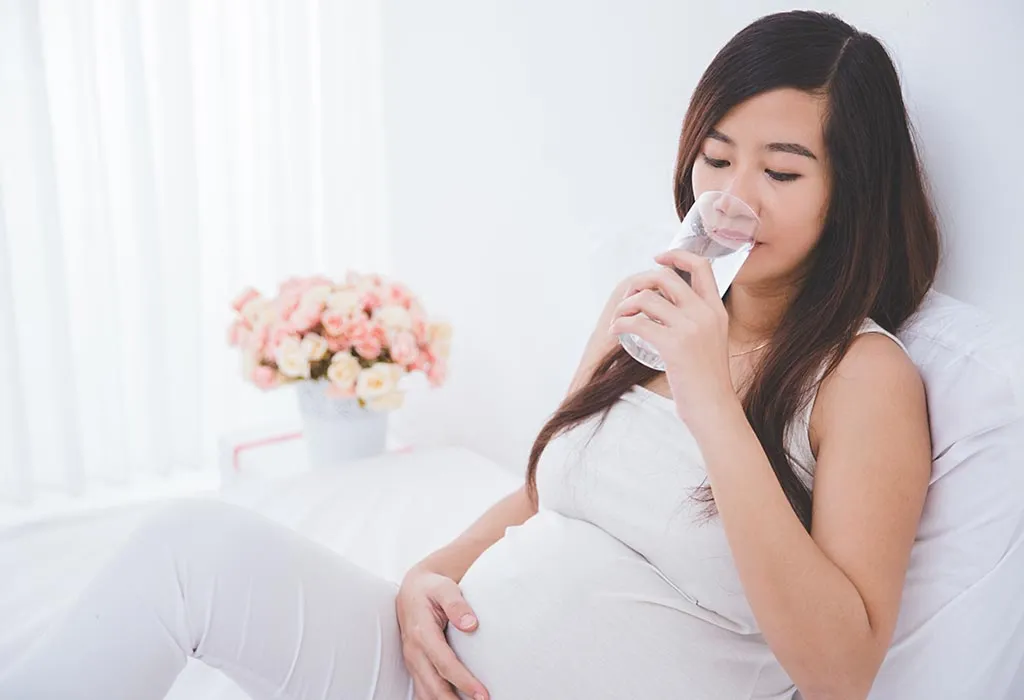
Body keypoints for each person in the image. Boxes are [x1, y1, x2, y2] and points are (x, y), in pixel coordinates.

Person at [0, 9, 938, 700]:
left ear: (850, 191)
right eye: (716, 157)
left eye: (780, 171)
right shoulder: (648, 304)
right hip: (434, 676)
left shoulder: (864, 379)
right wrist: (425, 576)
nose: (734, 195)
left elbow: (841, 668)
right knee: (184, 547)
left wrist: (710, 397)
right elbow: (541, 490)